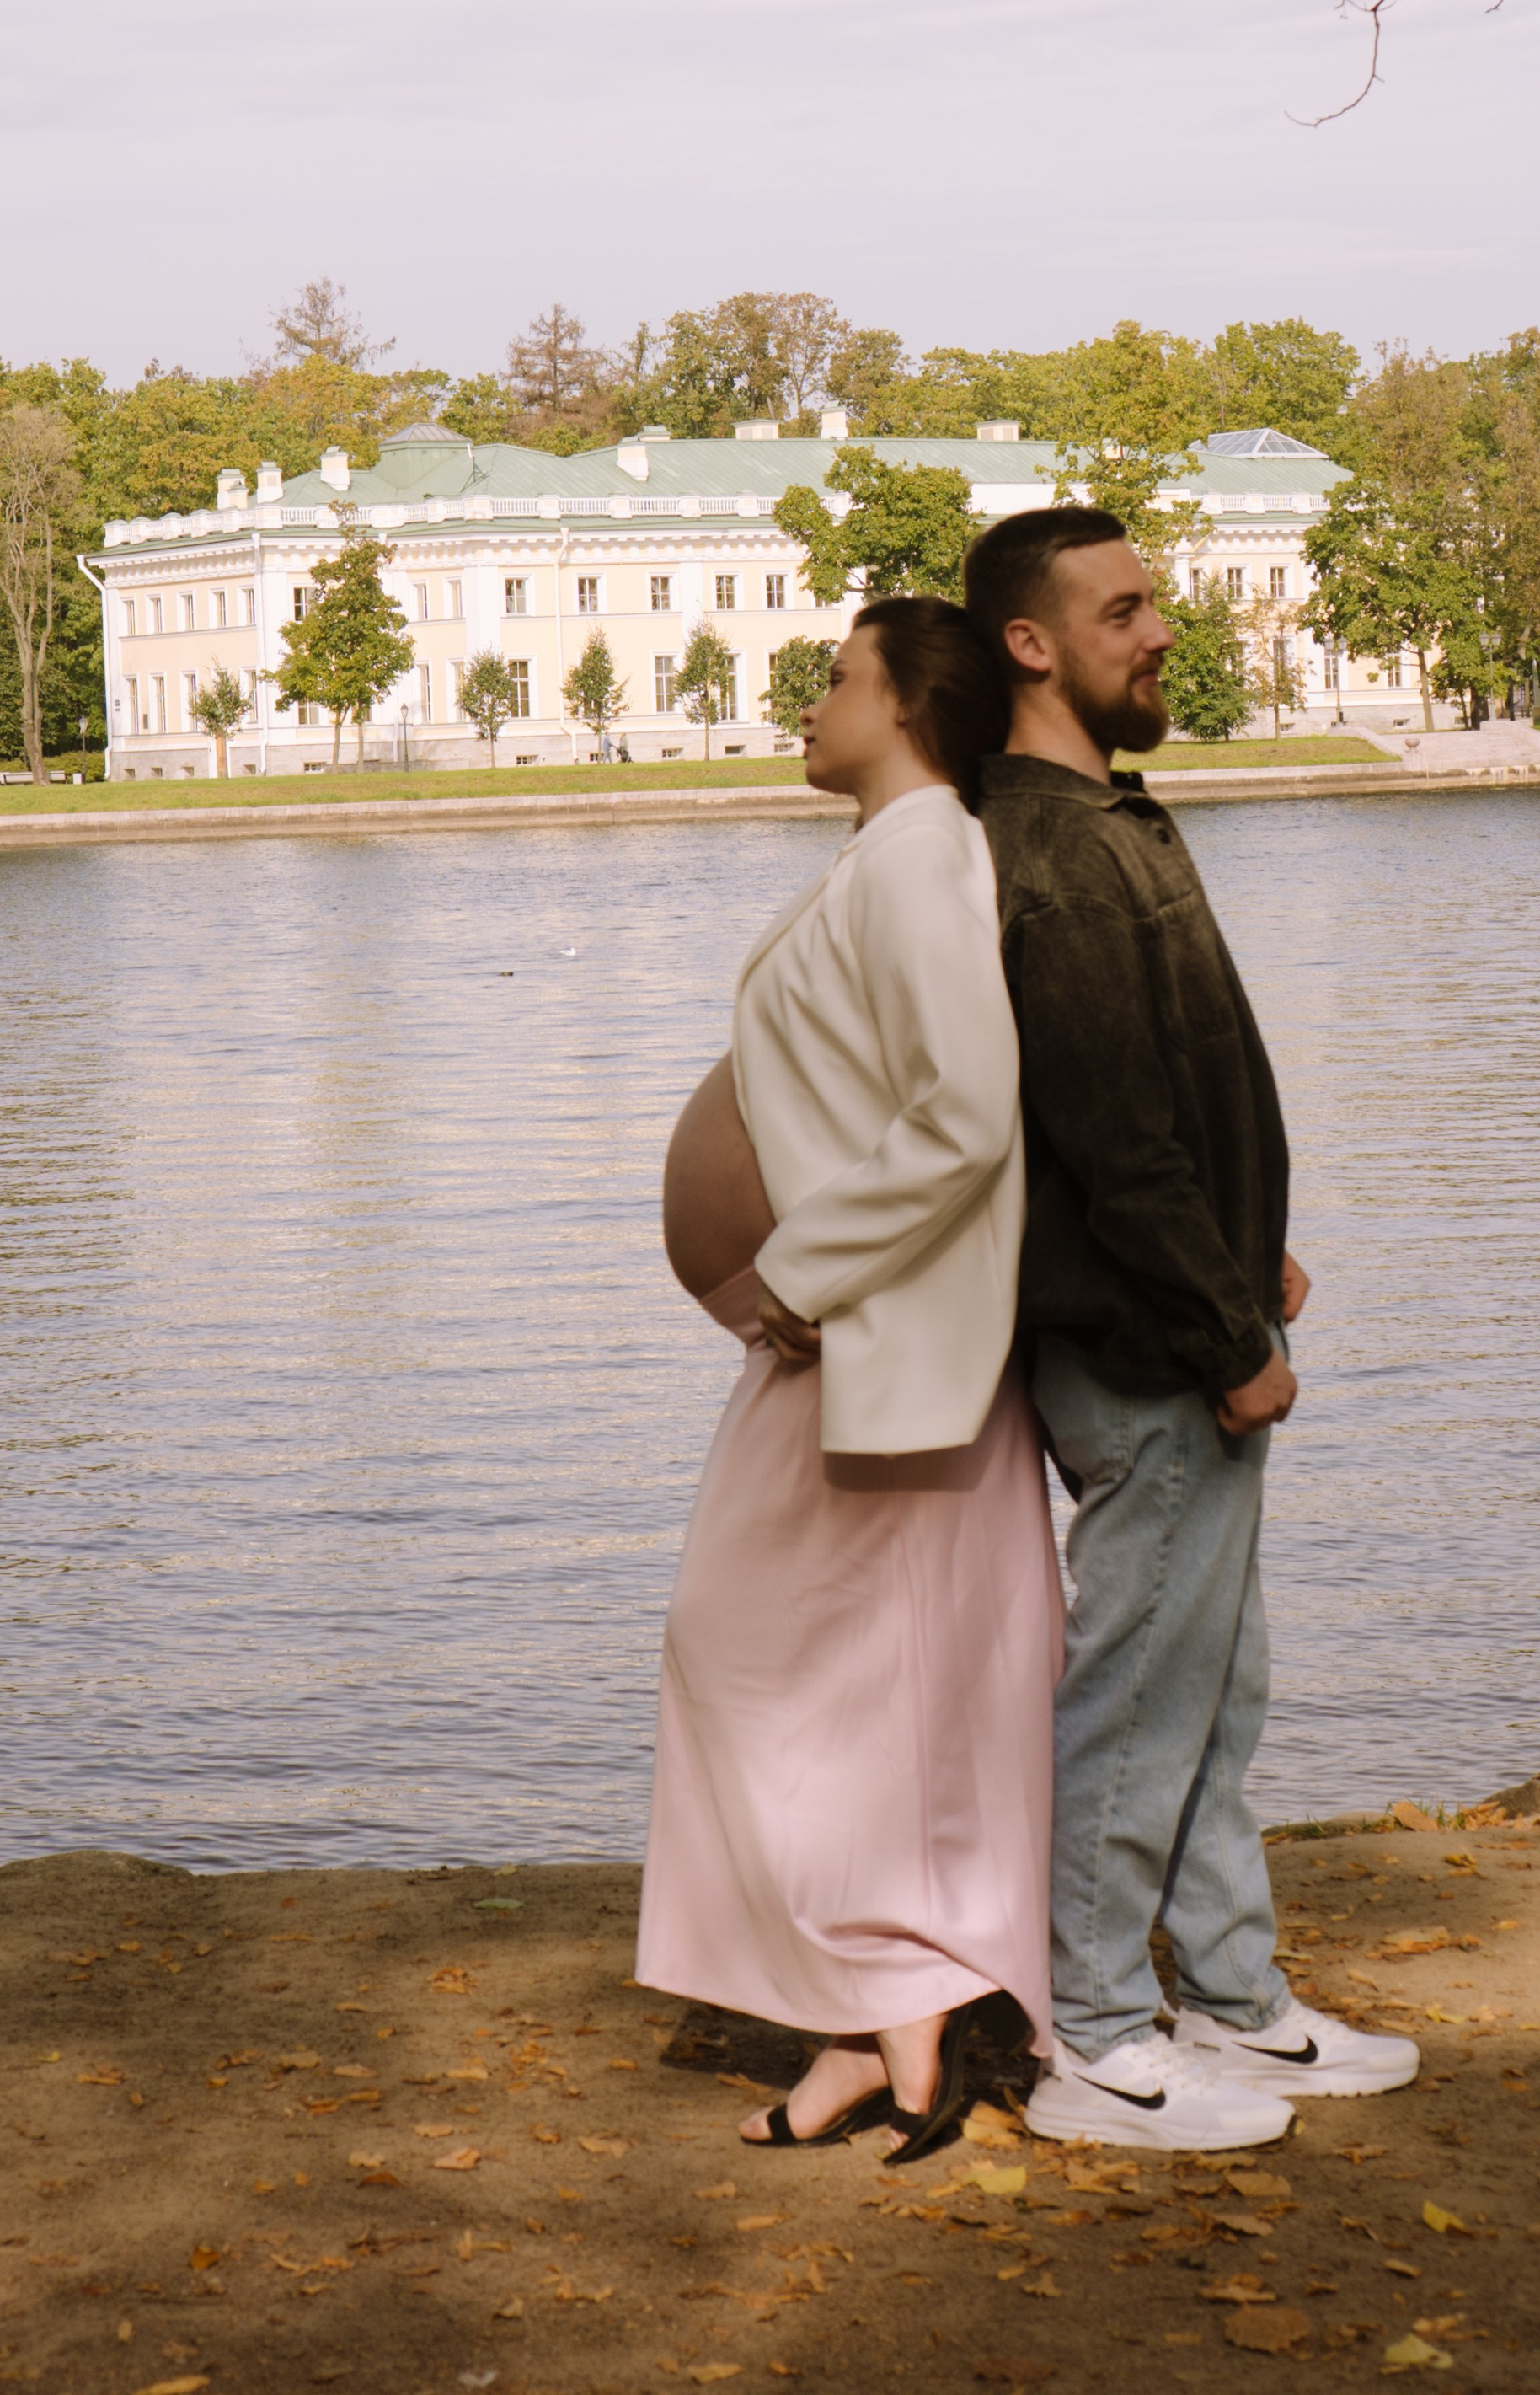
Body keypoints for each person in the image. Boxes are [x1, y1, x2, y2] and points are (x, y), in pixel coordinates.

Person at [964, 505, 1420, 2150]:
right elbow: (1110, 1136)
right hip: (1140, 1349)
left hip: (1191, 1315)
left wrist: (1254, 1258)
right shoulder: (1046, 848)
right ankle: (1085, 2034)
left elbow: (1175, 1095)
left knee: (1215, 1684)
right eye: (1124, 607)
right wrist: (1227, 1333)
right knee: (1139, 1685)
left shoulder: (1115, 818)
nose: (1159, 630)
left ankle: (1229, 2000)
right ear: (1031, 642)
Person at [637, 595, 1065, 2160]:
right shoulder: (890, 855)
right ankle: (878, 2038)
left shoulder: (928, 854)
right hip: (851, 1348)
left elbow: (969, 1111)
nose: (805, 701)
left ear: (909, 706)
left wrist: (808, 1276)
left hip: (874, 1344)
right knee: (850, 1688)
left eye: (833, 678)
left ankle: (903, 2016)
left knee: (772, 1661)